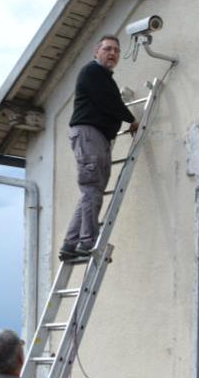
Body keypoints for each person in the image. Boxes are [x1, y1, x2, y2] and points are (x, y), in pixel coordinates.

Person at [60, 34, 139, 261]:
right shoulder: (92, 72)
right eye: (107, 49)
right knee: (91, 189)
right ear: (97, 52)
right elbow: (109, 101)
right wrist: (131, 119)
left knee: (91, 190)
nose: (112, 53)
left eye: (115, 50)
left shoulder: (104, 77)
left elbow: (110, 100)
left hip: (98, 138)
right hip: (89, 134)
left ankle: (70, 243)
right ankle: (87, 242)